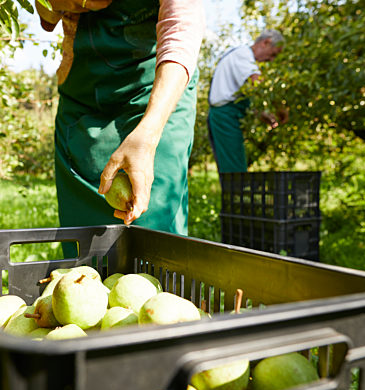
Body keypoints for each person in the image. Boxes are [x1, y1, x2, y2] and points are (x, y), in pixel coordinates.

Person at [35, 0, 205, 255]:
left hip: (154, 93)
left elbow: (182, 29)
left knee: (154, 235)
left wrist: (148, 134)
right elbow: (46, 17)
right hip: (84, 100)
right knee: (83, 243)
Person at [207, 29, 287, 173]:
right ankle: (237, 195)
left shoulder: (245, 59)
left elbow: (246, 95)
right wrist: (279, 106)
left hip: (229, 114)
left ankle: (236, 194)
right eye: (273, 54)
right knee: (233, 168)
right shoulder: (243, 54)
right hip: (225, 115)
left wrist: (261, 114)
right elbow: (258, 84)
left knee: (233, 165)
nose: (272, 59)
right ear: (266, 42)